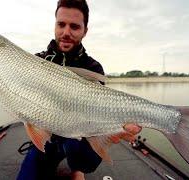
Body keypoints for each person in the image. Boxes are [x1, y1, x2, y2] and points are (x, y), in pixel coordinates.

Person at [17, 0, 141, 179]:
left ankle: (77, 168)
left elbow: (97, 114)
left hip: (77, 137)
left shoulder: (93, 68)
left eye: (74, 27)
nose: (66, 32)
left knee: (82, 157)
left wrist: (114, 129)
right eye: (61, 24)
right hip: (47, 135)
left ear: (85, 30)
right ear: (55, 25)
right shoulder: (37, 61)